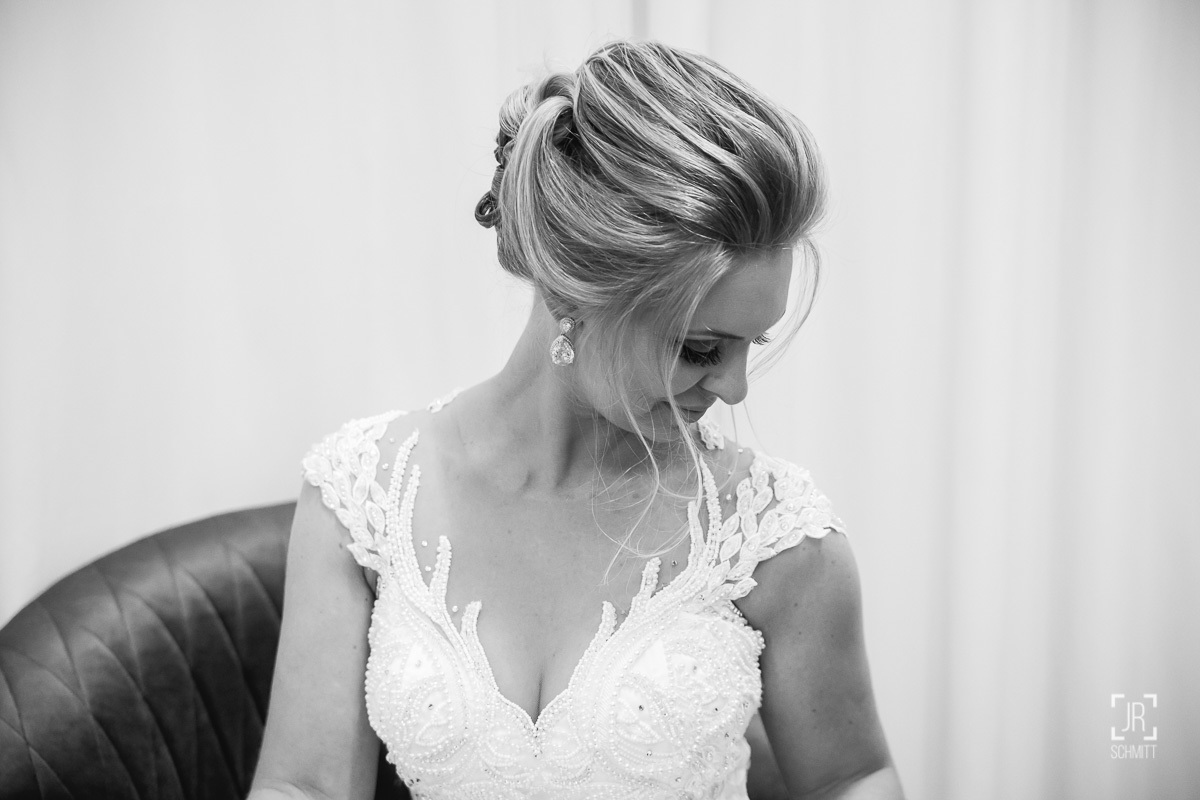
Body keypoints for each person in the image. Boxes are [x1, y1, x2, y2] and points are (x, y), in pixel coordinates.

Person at [249, 40, 903, 800]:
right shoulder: (360, 497)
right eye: (699, 348)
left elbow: (850, 778)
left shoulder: (778, 539)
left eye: (751, 344)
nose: (733, 389)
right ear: (573, 294)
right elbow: (303, 787)